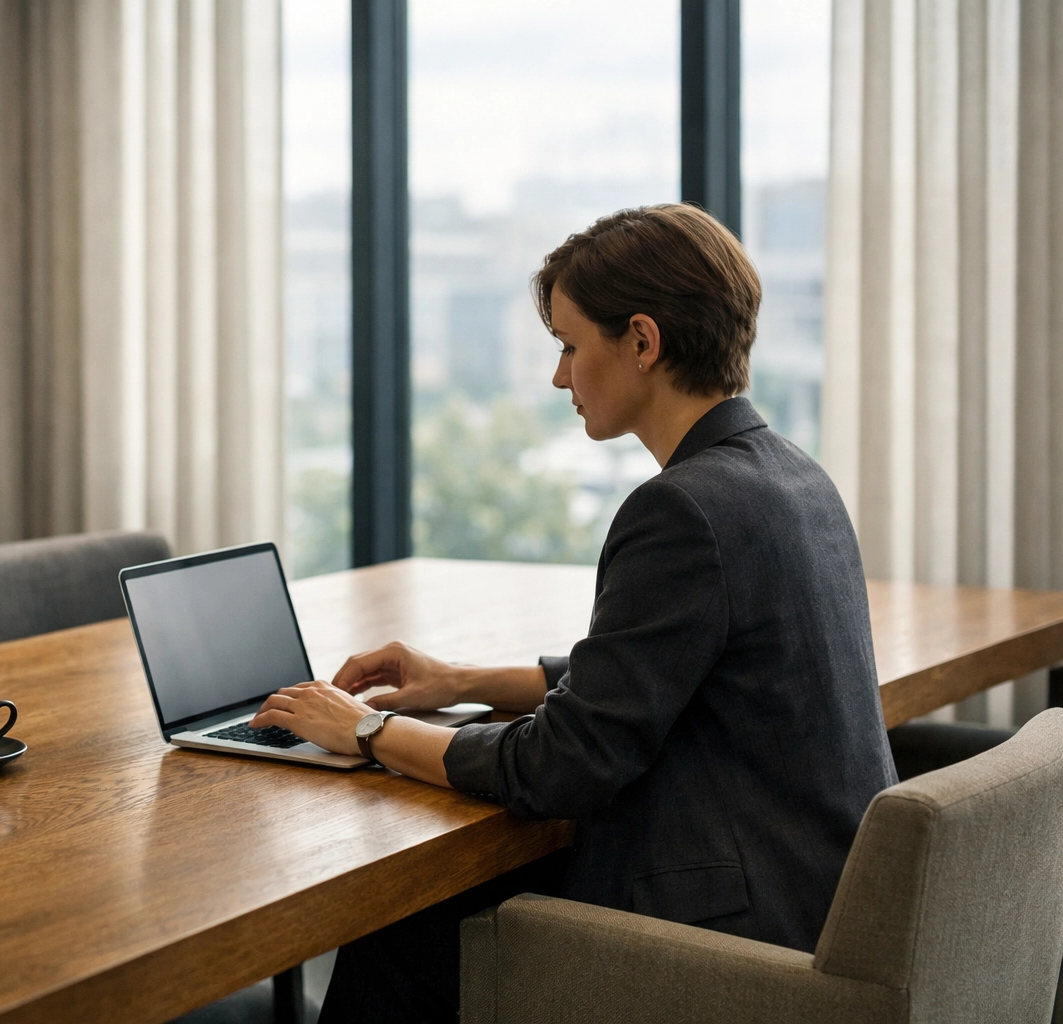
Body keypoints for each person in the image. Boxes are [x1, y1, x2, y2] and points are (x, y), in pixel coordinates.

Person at [249, 203, 898, 1023]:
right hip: (810, 900)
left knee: (398, 935)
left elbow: (559, 766)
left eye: (568, 345)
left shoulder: (683, 510)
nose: (560, 378)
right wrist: (459, 681)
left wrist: (369, 731)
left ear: (642, 341)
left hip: (734, 939)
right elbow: (654, 675)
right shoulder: (792, 476)